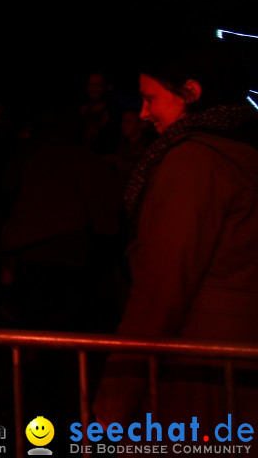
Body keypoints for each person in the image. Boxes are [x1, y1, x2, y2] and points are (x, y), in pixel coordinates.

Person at [94, 47, 258, 427]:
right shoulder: (244, 153)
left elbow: (161, 287)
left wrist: (114, 399)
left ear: (190, 93)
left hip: (197, 373)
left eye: (151, 99)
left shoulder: (193, 161)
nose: (143, 113)